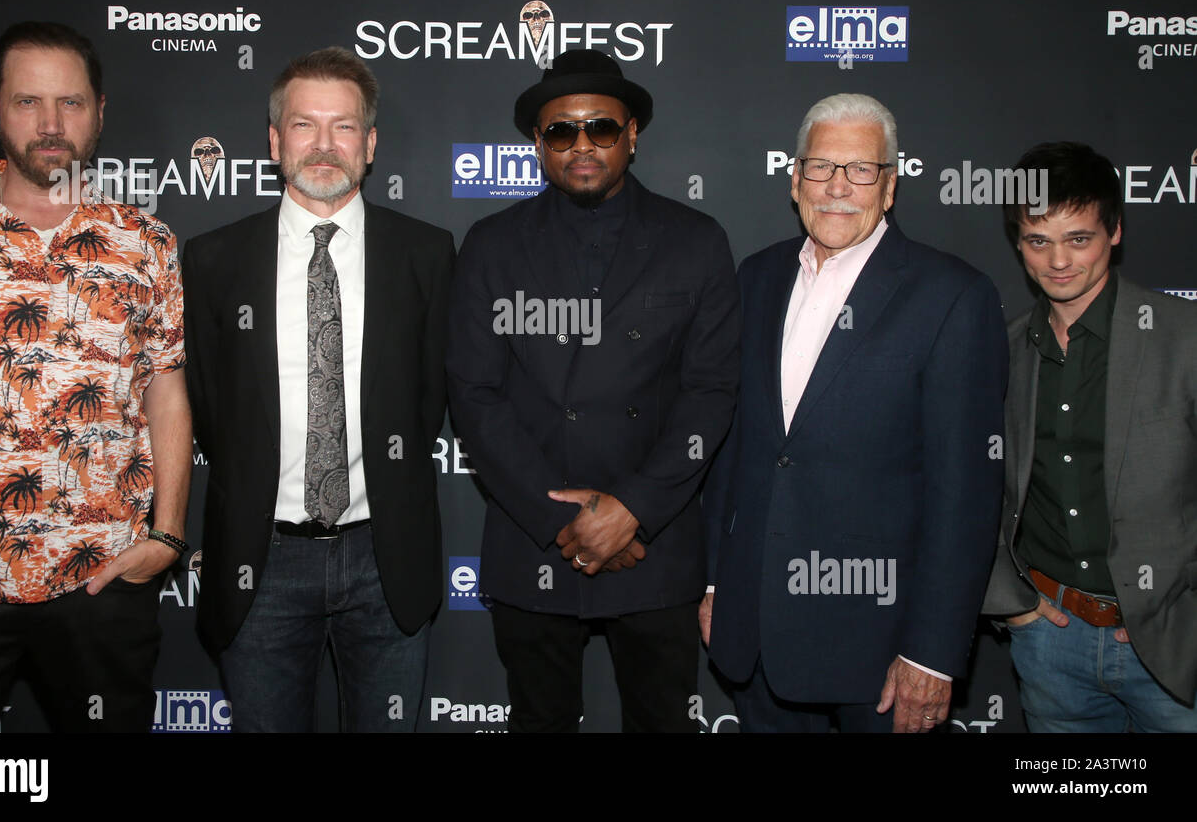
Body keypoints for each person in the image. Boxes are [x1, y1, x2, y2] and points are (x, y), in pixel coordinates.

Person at [0, 21, 190, 732]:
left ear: (99, 114)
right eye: (29, 103)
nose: (51, 125)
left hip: (100, 573)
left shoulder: (144, 243)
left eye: (72, 104)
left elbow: (166, 391)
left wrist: (170, 538)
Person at [447, 49, 740, 732]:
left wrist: (632, 507)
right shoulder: (491, 246)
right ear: (537, 144)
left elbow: (711, 389)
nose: (582, 145)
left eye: (601, 128)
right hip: (534, 541)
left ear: (632, 133)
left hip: (655, 543)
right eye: (561, 131)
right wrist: (564, 523)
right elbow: (475, 393)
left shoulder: (695, 241)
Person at [702, 93, 1007, 733]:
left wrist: (933, 652)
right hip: (756, 633)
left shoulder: (953, 296)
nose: (838, 186)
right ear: (795, 179)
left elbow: (965, 496)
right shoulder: (755, 278)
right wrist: (715, 585)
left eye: (861, 170)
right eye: (820, 167)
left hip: (881, 650)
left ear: (889, 187)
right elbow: (733, 448)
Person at [183, 47, 453, 732]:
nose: (325, 145)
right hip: (259, 562)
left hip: (384, 558)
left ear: (370, 144)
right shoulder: (214, 259)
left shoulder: (425, 253)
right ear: (275, 142)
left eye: (344, 127)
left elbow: (428, 405)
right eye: (305, 125)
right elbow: (211, 410)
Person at [982, 141, 1197, 732]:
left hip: (1177, 647)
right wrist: (1013, 605)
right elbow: (975, 489)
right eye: (1038, 240)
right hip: (1051, 645)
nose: (1058, 261)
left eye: (1079, 238)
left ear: (1115, 232)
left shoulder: (1184, 338)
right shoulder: (1004, 350)